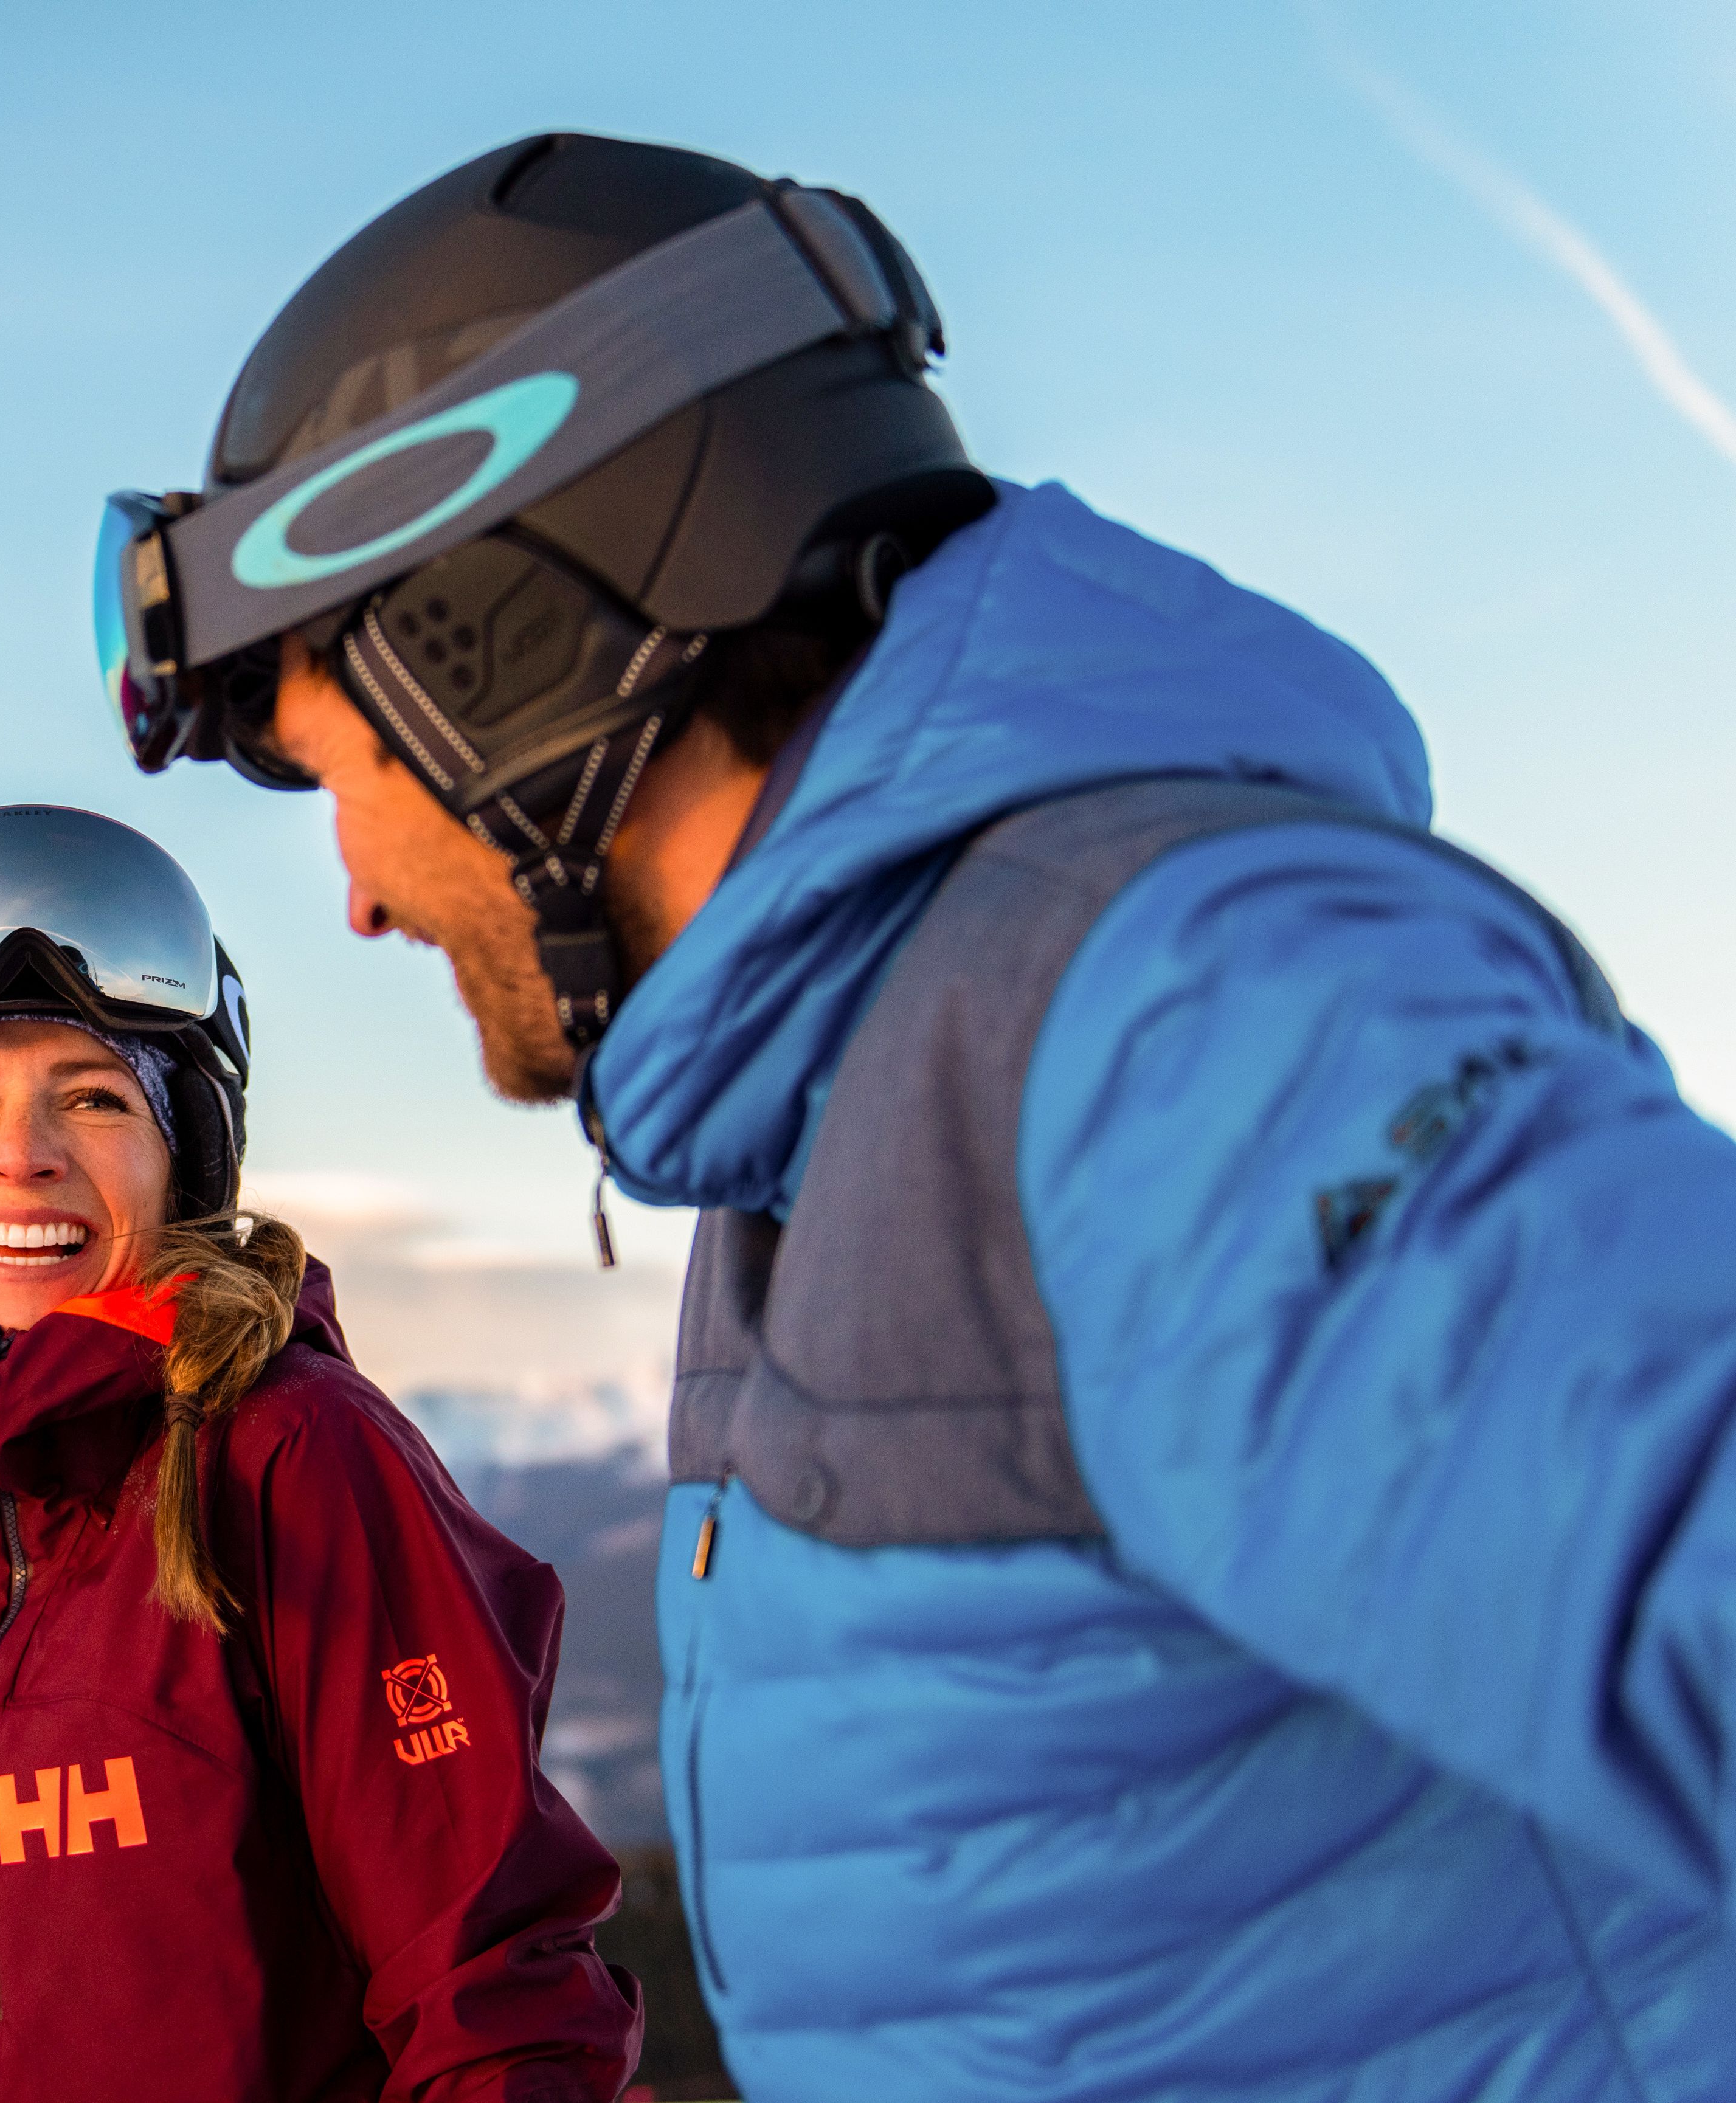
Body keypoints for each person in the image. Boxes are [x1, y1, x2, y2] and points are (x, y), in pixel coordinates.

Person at [89, 133, 1736, 2097]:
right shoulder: (837, 1103)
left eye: (343, 776)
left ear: (506, 661)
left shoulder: (1163, 1014)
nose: (355, 891)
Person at [0, 804, 641, 2102]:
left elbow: (493, 1988)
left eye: (93, 1094)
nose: (23, 1153)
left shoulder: (288, 1453)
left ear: (182, 1160)